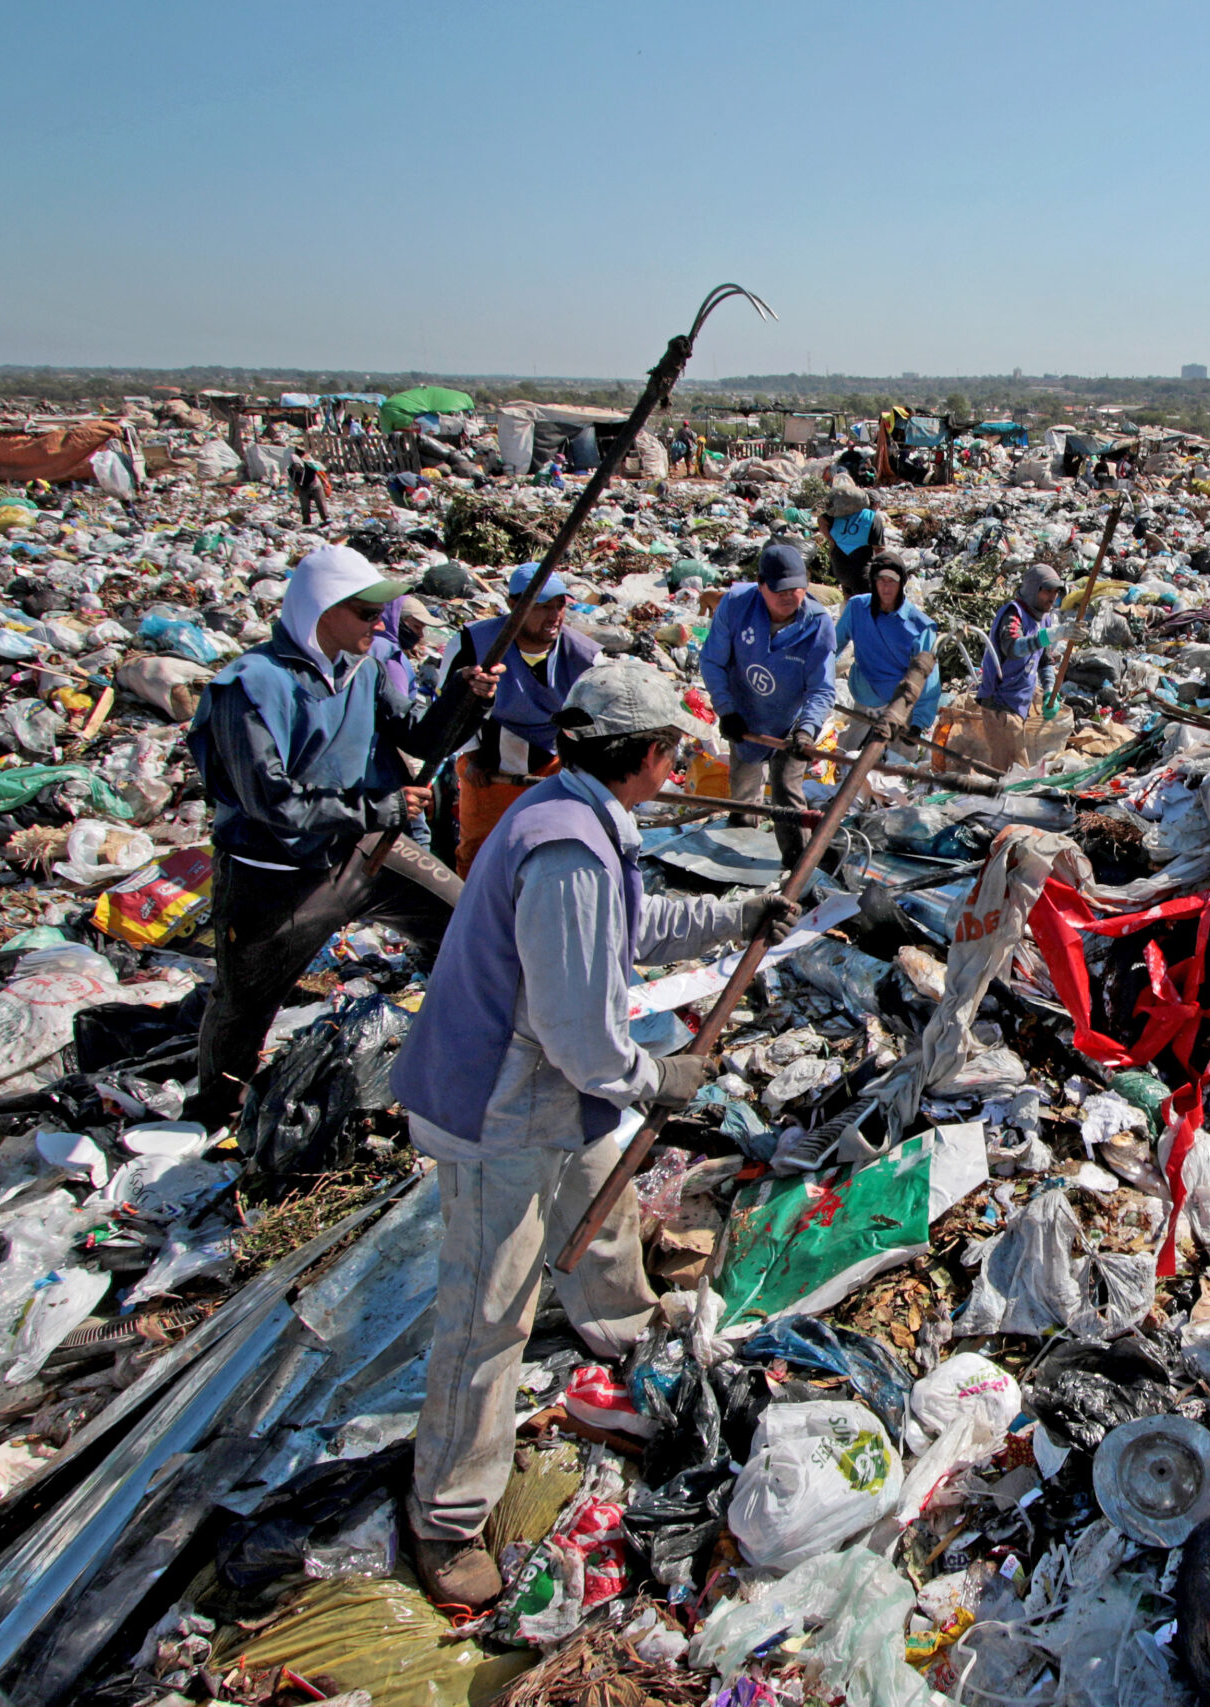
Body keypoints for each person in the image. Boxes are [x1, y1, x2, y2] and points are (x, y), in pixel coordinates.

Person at [391, 659, 794, 1608]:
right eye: (671, 752)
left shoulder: (576, 813)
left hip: (546, 1085)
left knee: (600, 1189)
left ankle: (614, 1320)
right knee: (490, 1309)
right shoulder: (567, 849)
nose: (675, 766)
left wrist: (735, 913)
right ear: (646, 755)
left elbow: (635, 926)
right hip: (501, 1097)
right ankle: (443, 1515)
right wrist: (662, 1078)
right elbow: (582, 1037)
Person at [186, 545, 493, 1128]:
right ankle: (213, 1118)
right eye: (364, 612)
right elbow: (269, 802)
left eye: (381, 612)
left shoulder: (367, 665)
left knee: (463, 921)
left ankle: (452, 1035)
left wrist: (465, 698)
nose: (380, 624)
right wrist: (378, 806)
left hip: (364, 852)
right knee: (244, 1006)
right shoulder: (250, 687)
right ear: (322, 610)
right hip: (275, 876)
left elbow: (422, 739)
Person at [433, 563, 601, 874]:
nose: (553, 617)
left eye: (559, 605)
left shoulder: (585, 655)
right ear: (513, 606)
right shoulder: (474, 643)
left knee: (552, 848)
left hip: (552, 760)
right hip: (487, 761)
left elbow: (596, 719)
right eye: (541, 607)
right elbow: (450, 704)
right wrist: (470, 756)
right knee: (479, 853)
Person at [697, 538, 837, 868]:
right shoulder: (735, 605)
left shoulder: (817, 623)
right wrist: (726, 709)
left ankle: (796, 866)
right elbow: (712, 661)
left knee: (788, 794)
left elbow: (822, 688)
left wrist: (806, 729)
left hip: (790, 722)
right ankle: (740, 857)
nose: (790, 596)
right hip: (745, 718)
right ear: (761, 586)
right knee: (744, 789)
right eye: (780, 590)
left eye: (796, 588)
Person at [832, 554, 940, 749]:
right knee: (846, 754)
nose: (886, 587)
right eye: (881, 580)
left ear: (901, 583)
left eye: (892, 581)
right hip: (864, 693)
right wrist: (813, 678)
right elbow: (832, 646)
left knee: (897, 764)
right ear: (873, 582)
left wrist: (918, 723)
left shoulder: (920, 626)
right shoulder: (857, 608)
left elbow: (927, 677)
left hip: (899, 706)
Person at [973, 564, 1064, 772]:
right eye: (1047, 590)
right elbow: (1013, 647)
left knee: (1013, 773)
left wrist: (1050, 690)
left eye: (1055, 592)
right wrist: (1050, 635)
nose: (1052, 597)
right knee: (1013, 775)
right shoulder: (1014, 614)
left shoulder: (1044, 618)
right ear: (1033, 589)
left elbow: (1044, 660)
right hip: (1000, 705)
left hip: (1017, 706)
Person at [819, 480, 885, 602]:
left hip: (839, 568)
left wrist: (832, 540)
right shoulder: (873, 518)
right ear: (875, 504)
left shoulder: (839, 516)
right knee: (866, 606)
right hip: (860, 573)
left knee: (849, 602)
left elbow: (821, 520)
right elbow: (880, 550)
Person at [290, 449, 330, 528]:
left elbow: (318, 470)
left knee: (321, 504)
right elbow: (293, 479)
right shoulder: (292, 468)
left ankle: (326, 519)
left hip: (315, 485)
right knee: (305, 506)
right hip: (303, 488)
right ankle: (306, 522)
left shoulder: (309, 463)